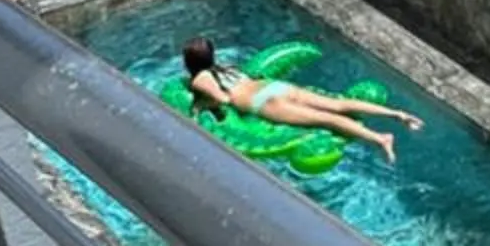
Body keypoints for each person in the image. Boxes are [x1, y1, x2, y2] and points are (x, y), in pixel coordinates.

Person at [180, 37, 421, 165]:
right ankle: (398, 114)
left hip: (265, 102)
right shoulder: (227, 68)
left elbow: (224, 98)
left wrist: (201, 104)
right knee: (339, 105)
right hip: (275, 87)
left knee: (328, 120)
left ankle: (380, 139)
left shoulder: (200, 77)